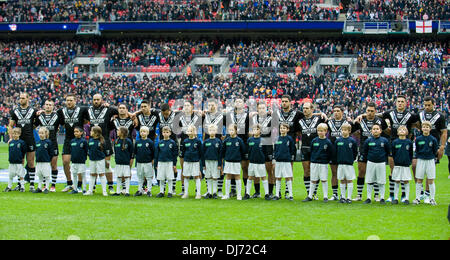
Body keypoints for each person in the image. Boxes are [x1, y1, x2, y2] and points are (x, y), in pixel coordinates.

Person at [353, 102, 388, 201]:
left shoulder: (380, 121)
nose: (369, 113)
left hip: (377, 149)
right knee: (361, 172)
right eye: (368, 111)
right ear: (365, 111)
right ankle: (359, 195)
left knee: (376, 173)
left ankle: (376, 195)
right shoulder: (360, 120)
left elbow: (387, 131)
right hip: (364, 149)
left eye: (372, 111)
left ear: (375, 111)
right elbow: (352, 130)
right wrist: (358, 135)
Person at [57, 93, 89, 193]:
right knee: (65, 161)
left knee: (78, 163)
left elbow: (88, 119)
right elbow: (61, 122)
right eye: (67, 100)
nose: (69, 102)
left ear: (75, 101)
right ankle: (69, 183)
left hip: (79, 139)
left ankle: (79, 185)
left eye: (71, 100)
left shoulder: (82, 109)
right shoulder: (61, 111)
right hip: (68, 139)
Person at [8, 92, 38, 192]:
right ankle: (20, 184)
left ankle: (32, 185)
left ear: (28, 99)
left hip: (30, 139)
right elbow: (11, 125)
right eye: (20, 98)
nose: (21, 100)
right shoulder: (15, 111)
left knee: (30, 162)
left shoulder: (33, 111)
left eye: (23, 98)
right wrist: (11, 137)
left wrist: (31, 128)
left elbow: (37, 123)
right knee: (20, 162)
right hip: (19, 140)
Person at [297, 102, 326, 200]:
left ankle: (314, 193)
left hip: (316, 148)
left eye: (307, 108)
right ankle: (309, 193)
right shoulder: (299, 121)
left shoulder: (318, 119)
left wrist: (322, 113)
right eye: (303, 108)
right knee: (306, 171)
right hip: (304, 148)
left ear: (312, 109)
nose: (305, 110)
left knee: (315, 172)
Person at [327, 105, 354, 201]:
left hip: (344, 151)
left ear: (342, 112)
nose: (336, 112)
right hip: (333, 151)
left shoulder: (348, 122)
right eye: (334, 111)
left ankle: (346, 195)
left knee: (346, 174)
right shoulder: (329, 122)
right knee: (334, 173)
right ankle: (335, 194)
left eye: (338, 111)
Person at [303, 123, 334, 202]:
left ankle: (325, 196)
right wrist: (313, 159)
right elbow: (312, 151)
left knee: (324, 179)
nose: (320, 132)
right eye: (318, 131)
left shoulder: (328, 142)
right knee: (313, 179)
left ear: (326, 131)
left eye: (322, 131)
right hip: (314, 163)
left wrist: (326, 160)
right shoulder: (314, 141)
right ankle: (310, 196)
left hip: (323, 163)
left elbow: (331, 153)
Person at [250, 101, 274, 199]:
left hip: (267, 145)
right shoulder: (253, 118)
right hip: (256, 144)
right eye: (259, 108)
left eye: (263, 108)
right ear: (257, 109)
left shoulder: (271, 118)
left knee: (269, 169)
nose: (261, 110)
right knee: (256, 169)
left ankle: (270, 192)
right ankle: (257, 192)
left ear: (266, 109)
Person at [35, 100, 61, 192]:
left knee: (53, 165)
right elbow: (33, 126)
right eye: (46, 104)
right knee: (43, 166)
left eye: (50, 105)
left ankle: (53, 185)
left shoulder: (57, 116)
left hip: (53, 143)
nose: (48, 106)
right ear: (44, 106)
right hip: (42, 144)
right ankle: (43, 185)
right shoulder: (40, 116)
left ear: (53, 106)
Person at [362, 124, 391, 204]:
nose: (375, 130)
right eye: (374, 129)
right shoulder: (368, 141)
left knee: (381, 181)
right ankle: (368, 198)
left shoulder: (384, 140)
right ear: (371, 131)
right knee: (369, 180)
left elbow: (388, 151)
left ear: (380, 131)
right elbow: (365, 152)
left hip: (381, 163)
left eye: (377, 129)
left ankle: (382, 198)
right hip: (371, 162)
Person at [413, 121, 439, 205]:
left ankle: (432, 199)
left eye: (427, 127)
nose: (425, 128)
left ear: (430, 129)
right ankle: (417, 198)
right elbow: (417, 150)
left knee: (430, 180)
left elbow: (435, 150)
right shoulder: (419, 139)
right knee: (419, 179)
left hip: (430, 160)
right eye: (424, 127)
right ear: (421, 128)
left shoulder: (433, 139)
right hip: (421, 160)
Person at [245, 124, 270, 200]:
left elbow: (265, 152)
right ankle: (247, 194)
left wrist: (264, 159)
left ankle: (266, 194)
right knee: (250, 177)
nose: (255, 131)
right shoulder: (250, 140)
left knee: (263, 177)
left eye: (257, 129)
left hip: (261, 162)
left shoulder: (263, 140)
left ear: (260, 131)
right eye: (253, 129)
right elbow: (248, 150)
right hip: (252, 162)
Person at [221, 124, 246, 200]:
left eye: (232, 130)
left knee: (237, 177)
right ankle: (227, 194)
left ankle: (239, 195)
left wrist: (240, 159)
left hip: (236, 162)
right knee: (228, 177)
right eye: (230, 130)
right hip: (228, 161)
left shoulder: (239, 140)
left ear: (236, 131)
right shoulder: (226, 140)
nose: (231, 131)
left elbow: (243, 151)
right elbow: (223, 151)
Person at [390, 125, 413, 205]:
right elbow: (393, 153)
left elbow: (411, 154)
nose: (402, 131)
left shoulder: (409, 142)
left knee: (406, 181)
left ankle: (406, 198)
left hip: (406, 165)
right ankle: (395, 198)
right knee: (397, 181)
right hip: (397, 165)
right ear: (397, 132)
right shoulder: (395, 142)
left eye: (404, 129)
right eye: (400, 130)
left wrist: (408, 161)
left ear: (407, 132)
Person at [335, 123, 358, 204]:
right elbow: (335, 152)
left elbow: (355, 152)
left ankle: (349, 197)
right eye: (342, 130)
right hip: (340, 164)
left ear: (349, 131)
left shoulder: (352, 141)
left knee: (349, 180)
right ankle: (343, 197)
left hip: (349, 164)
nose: (343, 132)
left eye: (345, 130)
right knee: (342, 180)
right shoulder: (338, 141)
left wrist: (352, 159)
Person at [273, 123, 296, 201]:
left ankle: (290, 195)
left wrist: (291, 158)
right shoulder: (277, 139)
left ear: (287, 130)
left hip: (286, 161)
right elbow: (275, 149)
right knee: (278, 177)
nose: (282, 129)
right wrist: (275, 158)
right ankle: (277, 194)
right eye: (281, 128)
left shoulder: (289, 139)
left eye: (284, 128)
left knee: (288, 177)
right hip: (278, 161)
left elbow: (292, 149)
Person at [84, 126, 108, 197]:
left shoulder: (102, 141)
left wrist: (105, 161)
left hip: (100, 160)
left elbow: (104, 151)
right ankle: (90, 190)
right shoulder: (90, 141)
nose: (90, 132)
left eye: (91, 131)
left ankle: (104, 191)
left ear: (96, 133)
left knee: (101, 174)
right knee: (92, 174)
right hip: (92, 160)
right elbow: (88, 149)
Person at [181, 125, 203, 199]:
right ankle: (186, 193)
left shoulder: (198, 141)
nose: (189, 132)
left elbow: (200, 153)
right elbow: (183, 152)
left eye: (191, 131)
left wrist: (199, 162)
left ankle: (198, 193)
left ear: (194, 132)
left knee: (196, 177)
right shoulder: (185, 141)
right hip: (187, 161)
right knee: (186, 176)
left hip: (195, 162)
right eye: (188, 131)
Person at [155, 126, 178, 198]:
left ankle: (170, 192)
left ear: (170, 133)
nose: (165, 134)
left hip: (169, 162)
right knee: (161, 178)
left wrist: (174, 164)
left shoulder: (172, 143)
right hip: (161, 162)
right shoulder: (160, 143)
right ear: (162, 133)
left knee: (170, 177)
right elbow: (157, 154)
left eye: (167, 132)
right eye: (164, 132)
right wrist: (156, 164)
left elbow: (175, 154)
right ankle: (161, 191)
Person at [112, 127, 134, 197]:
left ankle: (127, 191)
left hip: (126, 163)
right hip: (118, 163)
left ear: (122, 132)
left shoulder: (128, 141)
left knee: (127, 177)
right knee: (118, 177)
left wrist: (131, 161)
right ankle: (118, 191)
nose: (117, 131)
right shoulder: (116, 141)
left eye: (118, 130)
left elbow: (131, 152)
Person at [202, 124, 222, 199]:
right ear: (208, 131)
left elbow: (220, 154)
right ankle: (209, 192)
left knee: (215, 177)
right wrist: (203, 164)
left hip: (215, 162)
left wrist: (220, 164)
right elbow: (203, 154)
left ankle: (214, 193)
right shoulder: (206, 142)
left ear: (216, 131)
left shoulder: (218, 141)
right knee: (208, 177)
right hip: (207, 162)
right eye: (210, 130)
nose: (212, 132)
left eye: (213, 130)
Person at [134, 126, 155, 197]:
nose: (142, 133)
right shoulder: (137, 142)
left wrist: (152, 161)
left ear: (148, 133)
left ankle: (149, 190)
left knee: (149, 177)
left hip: (148, 162)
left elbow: (153, 152)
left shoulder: (150, 142)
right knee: (140, 177)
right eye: (141, 132)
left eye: (144, 132)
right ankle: (140, 190)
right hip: (139, 162)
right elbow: (135, 152)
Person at [4, 128, 26, 192]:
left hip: (19, 162)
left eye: (16, 134)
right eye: (13, 133)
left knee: (21, 175)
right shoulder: (11, 142)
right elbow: (10, 151)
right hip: (11, 162)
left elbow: (23, 152)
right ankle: (9, 186)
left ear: (19, 134)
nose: (14, 135)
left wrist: (22, 159)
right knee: (10, 175)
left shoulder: (22, 142)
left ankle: (22, 187)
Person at [68, 126, 88, 194]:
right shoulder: (72, 141)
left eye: (77, 131)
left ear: (81, 132)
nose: (75, 133)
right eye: (74, 132)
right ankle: (75, 189)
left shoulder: (84, 141)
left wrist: (84, 158)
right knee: (74, 175)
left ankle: (84, 189)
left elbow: (86, 151)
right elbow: (71, 150)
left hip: (81, 162)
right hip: (74, 161)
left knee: (83, 175)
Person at [33, 127, 53, 194]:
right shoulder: (38, 142)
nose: (40, 134)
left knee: (46, 175)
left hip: (46, 162)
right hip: (38, 162)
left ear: (45, 134)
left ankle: (47, 188)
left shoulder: (48, 142)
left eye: (42, 133)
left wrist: (48, 159)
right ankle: (39, 187)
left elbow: (51, 152)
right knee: (40, 175)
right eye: (39, 133)